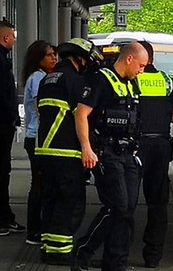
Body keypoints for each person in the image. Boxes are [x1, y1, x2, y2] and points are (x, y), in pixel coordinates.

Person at [73, 42, 147, 271]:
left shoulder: (131, 84)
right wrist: (86, 148)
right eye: (141, 65)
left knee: (127, 211)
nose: (142, 70)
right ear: (129, 59)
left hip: (128, 154)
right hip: (107, 152)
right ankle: (82, 253)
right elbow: (81, 114)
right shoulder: (100, 80)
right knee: (117, 206)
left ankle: (116, 264)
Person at [35, 38, 102, 266]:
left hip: (44, 150)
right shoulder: (75, 81)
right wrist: (87, 147)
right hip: (66, 152)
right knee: (70, 203)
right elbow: (80, 116)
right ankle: (61, 252)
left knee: (50, 200)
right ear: (80, 59)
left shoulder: (47, 79)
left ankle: (48, 248)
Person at [134, 41, 173, 268]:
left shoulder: (131, 79)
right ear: (153, 57)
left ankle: (119, 252)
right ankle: (152, 256)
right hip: (160, 145)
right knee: (158, 204)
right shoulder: (166, 81)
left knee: (126, 201)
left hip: (135, 145)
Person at [21, 40, 56, 245]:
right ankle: (34, 230)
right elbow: (41, 107)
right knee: (39, 183)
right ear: (38, 59)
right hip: (36, 137)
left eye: (55, 54)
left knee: (40, 182)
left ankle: (37, 228)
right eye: (49, 55)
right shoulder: (38, 78)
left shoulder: (42, 76)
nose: (54, 58)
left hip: (38, 137)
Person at [0, 19, 21, 237]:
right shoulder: (2, 62)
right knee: (2, 171)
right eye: (13, 36)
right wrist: (12, 118)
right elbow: (4, 95)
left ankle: (5, 217)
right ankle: (3, 218)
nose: (15, 40)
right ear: (6, 37)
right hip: (2, 125)